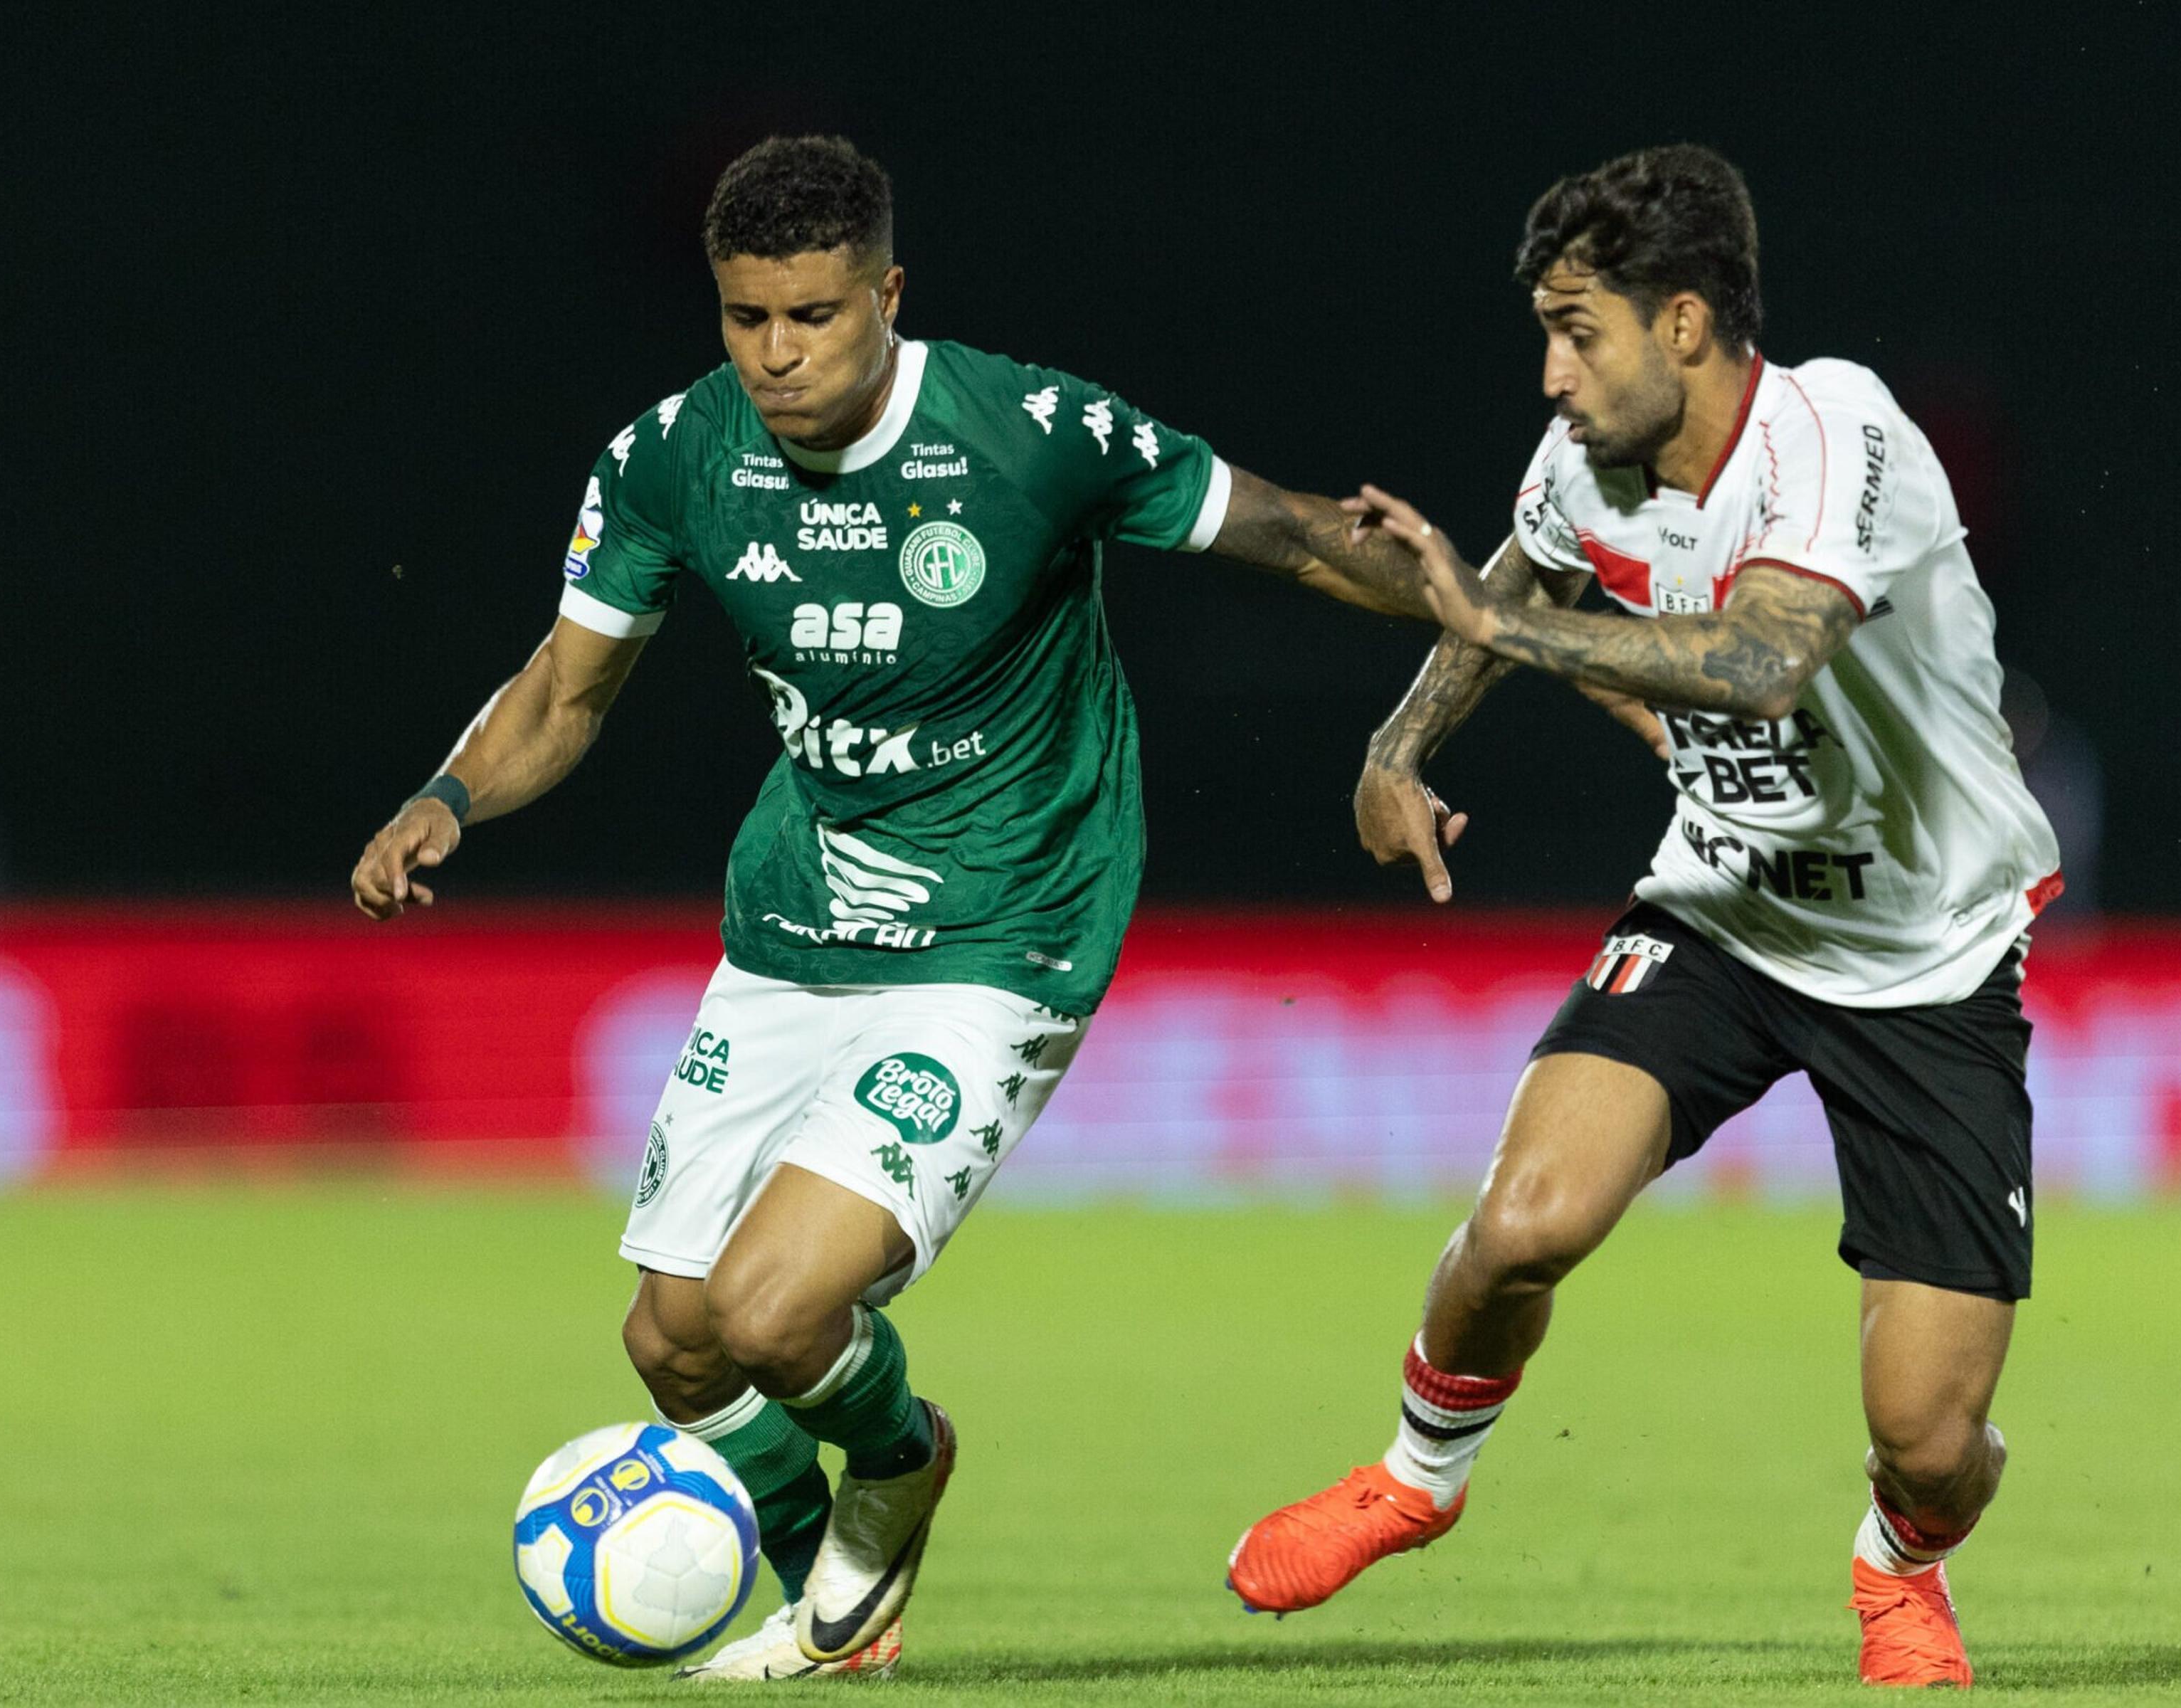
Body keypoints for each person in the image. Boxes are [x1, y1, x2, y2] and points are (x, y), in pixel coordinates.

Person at [347, 136, 1435, 1682]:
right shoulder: (669, 457)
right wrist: (447, 796)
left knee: (780, 1312)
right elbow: (564, 691)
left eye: (816, 316)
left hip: (1007, 928)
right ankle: (834, 1606)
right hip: (799, 926)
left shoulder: (1027, 432)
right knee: (673, 1342)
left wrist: (1490, 616)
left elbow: (1292, 532)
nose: (779, 356)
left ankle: (903, 1461)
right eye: (747, 319)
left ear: (888, 294)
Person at [1225, 145, 2062, 1690]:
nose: (1550, 371)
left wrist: (1506, 628)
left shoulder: (1840, 434)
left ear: (1685, 323)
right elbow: (1506, 581)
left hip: (1928, 958)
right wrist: (1399, 745)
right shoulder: (1584, 469)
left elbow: (1758, 664)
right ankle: (1418, 1477)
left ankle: (1901, 1565)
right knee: (1522, 1226)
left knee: (1929, 1439)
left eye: (1575, 328)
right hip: (1721, 912)